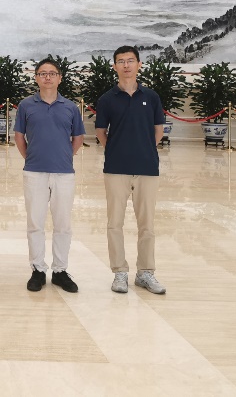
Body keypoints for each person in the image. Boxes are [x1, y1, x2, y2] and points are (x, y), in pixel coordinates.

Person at [95, 45, 166, 295]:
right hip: (116, 169)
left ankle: (145, 272)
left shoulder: (152, 97)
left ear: (139, 64)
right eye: (121, 61)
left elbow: (158, 131)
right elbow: (101, 132)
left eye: (130, 60)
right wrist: (118, 150)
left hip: (147, 167)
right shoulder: (107, 99)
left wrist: (142, 149)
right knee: (114, 223)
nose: (126, 65)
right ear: (114, 66)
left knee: (147, 224)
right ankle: (120, 272)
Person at [13, 57, 85, 294]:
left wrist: (64, 156)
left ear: (59, 78)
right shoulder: (26, 105)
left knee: (63, 223)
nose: (47, 77)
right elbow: (19, 137)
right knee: (35, 223)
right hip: (34, 172)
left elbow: (78, 138)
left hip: (64, 173)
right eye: (42, 73)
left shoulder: (70, 107)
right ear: (36, 78)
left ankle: (60, 270)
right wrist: (31, 158)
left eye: (52, 73)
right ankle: (37, 270)